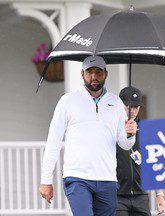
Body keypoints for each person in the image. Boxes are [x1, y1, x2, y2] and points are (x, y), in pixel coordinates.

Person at [39, 56, 138, 216]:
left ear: (106, 73)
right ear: (82, 74)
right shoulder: (67, 101)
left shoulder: (116, 103)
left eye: (98, 72)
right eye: (89, 72)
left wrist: (130, 134)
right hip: (77, 178)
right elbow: (54, 141)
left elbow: (124, 144)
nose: (94, 76)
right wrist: (46, 179)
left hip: (107, 179)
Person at [116, 86, 165, 216]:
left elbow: (153, 164)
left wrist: (159, 194)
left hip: (141, 195)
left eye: (136, 107)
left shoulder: (146, 132)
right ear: (119, 105)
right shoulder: (112, 130)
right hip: (117, 196)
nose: (132, 111)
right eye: (128, 106)